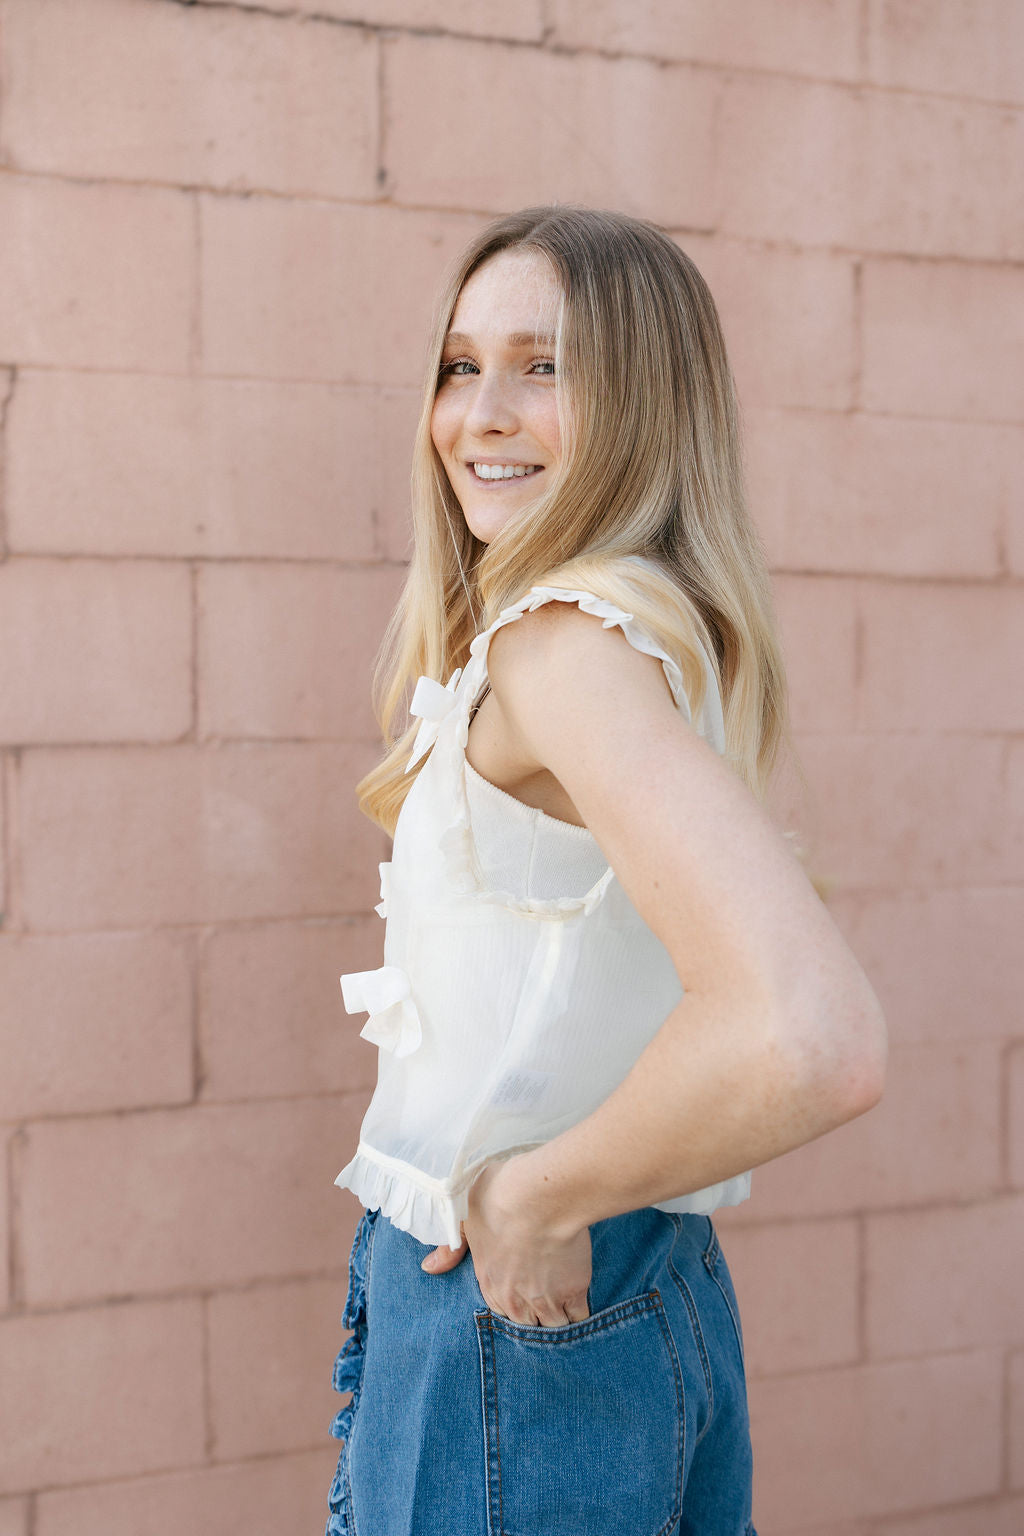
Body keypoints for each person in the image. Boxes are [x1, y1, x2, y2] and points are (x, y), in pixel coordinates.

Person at [324, 205, 887, 1536]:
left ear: (645, 404)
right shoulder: (640, 627)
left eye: (545, 367)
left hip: (514, 1304)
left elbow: (814, 1037)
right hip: (637, 1281)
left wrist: (535, 1195)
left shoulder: (563, 646)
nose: (482, 415)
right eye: (461, 366)